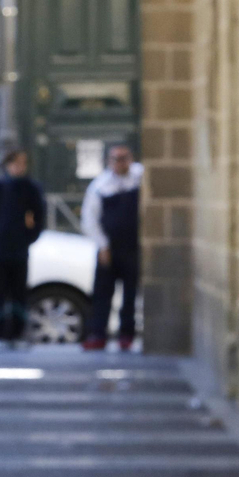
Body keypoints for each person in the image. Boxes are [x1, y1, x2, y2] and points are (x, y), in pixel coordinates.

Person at [0, 148, 46, 349]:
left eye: (22, 163)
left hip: (19, 249)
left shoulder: (31, 188)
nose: (19, 167)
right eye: (15, 163)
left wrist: (28, 237)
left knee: (18, 292)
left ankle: (17, 333)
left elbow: (39, 216)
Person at [81, 142, 143, 351]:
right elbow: (90, 219)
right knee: (102, 293)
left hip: (133, 246)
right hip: (110, 247)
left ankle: (127, 334)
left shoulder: (140, 177)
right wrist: (103, 245)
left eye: (124, 158)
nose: (120, 163)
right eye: (116, 159)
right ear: (109, 161)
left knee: (131, 294)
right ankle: (99, 334)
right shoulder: (100, 186)